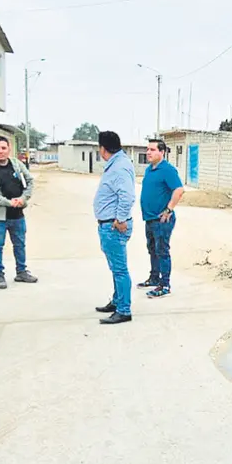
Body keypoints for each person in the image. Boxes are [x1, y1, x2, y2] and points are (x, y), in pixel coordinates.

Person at [0, 136, 38, 289]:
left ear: (9, 149)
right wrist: (7, 202)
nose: (0, 151)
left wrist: (23, 198)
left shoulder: (17, 164)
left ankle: (21, 272)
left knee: (20, 244)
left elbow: (30, 181)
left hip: (17, 215)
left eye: (3, 148)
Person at [93, 130, 136, 325]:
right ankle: (118, 301)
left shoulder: (119, 167)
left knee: (120, 270)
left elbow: (127, 196)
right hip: (109, 224)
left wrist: (119, 219)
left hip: (113, 226)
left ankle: (124, 310)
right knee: (115, 268)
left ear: (103, 149)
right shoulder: (117, 164)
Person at [138, 138, 184, 298]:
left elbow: (178, 190)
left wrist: (168, 209)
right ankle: (154, 278)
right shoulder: (149, 170)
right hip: (149, 218)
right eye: (148, 149)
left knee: (162, 251)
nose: (148, 152)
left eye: (152, 150)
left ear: (162, 152)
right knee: (152, 249)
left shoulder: (167, 170)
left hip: (162, 220)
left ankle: (165, 285)